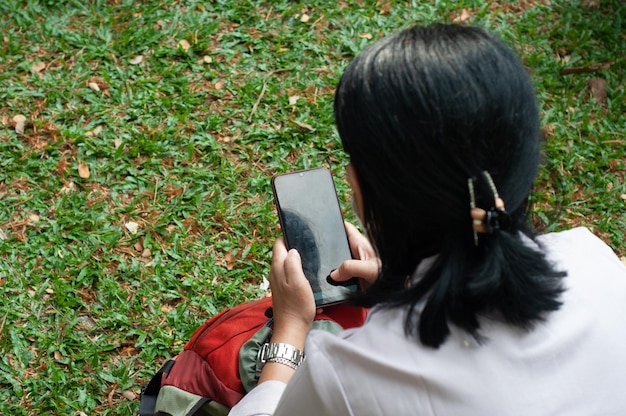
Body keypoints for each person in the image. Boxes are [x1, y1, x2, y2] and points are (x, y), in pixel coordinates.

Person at [229, 23, 626, 415]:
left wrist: (290, 330)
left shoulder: (352, 373)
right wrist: (403, 283)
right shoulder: (594, 261)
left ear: (371, 190)